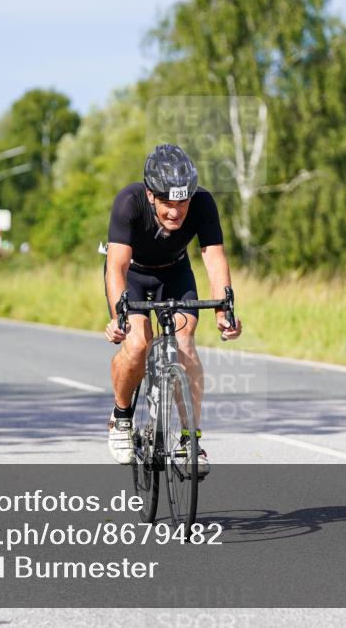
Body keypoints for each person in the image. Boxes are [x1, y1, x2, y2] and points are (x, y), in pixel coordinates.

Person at [103, 144, 242, 475]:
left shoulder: (203, 202)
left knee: (185, 343)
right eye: (167, 203)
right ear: (151, 195)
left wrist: (224, 311)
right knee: (137, 344)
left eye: (183, 202)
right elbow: (116, 266)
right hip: (132, 274)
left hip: (175, 272)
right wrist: (119, 316)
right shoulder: (129, 201)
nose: (175, 212)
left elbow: (214, 258)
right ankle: (121, 417)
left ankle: (189, 440)